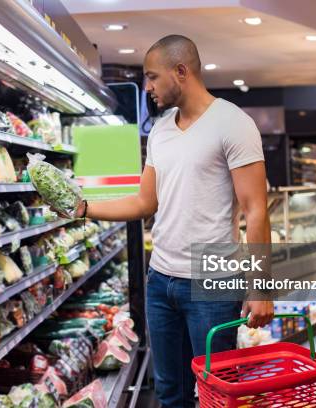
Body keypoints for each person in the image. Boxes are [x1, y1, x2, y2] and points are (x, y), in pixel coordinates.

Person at [73, 35, 274, 407]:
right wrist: (83, 208)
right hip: (161, 281)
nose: (147, 87)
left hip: (212, 284)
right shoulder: (161, 130)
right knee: (170, 394)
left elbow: (255, 210)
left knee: (217, 394)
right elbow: (143, 201)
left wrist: (261, 286)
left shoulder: (233, 123)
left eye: (152, 77)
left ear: (180, 71)